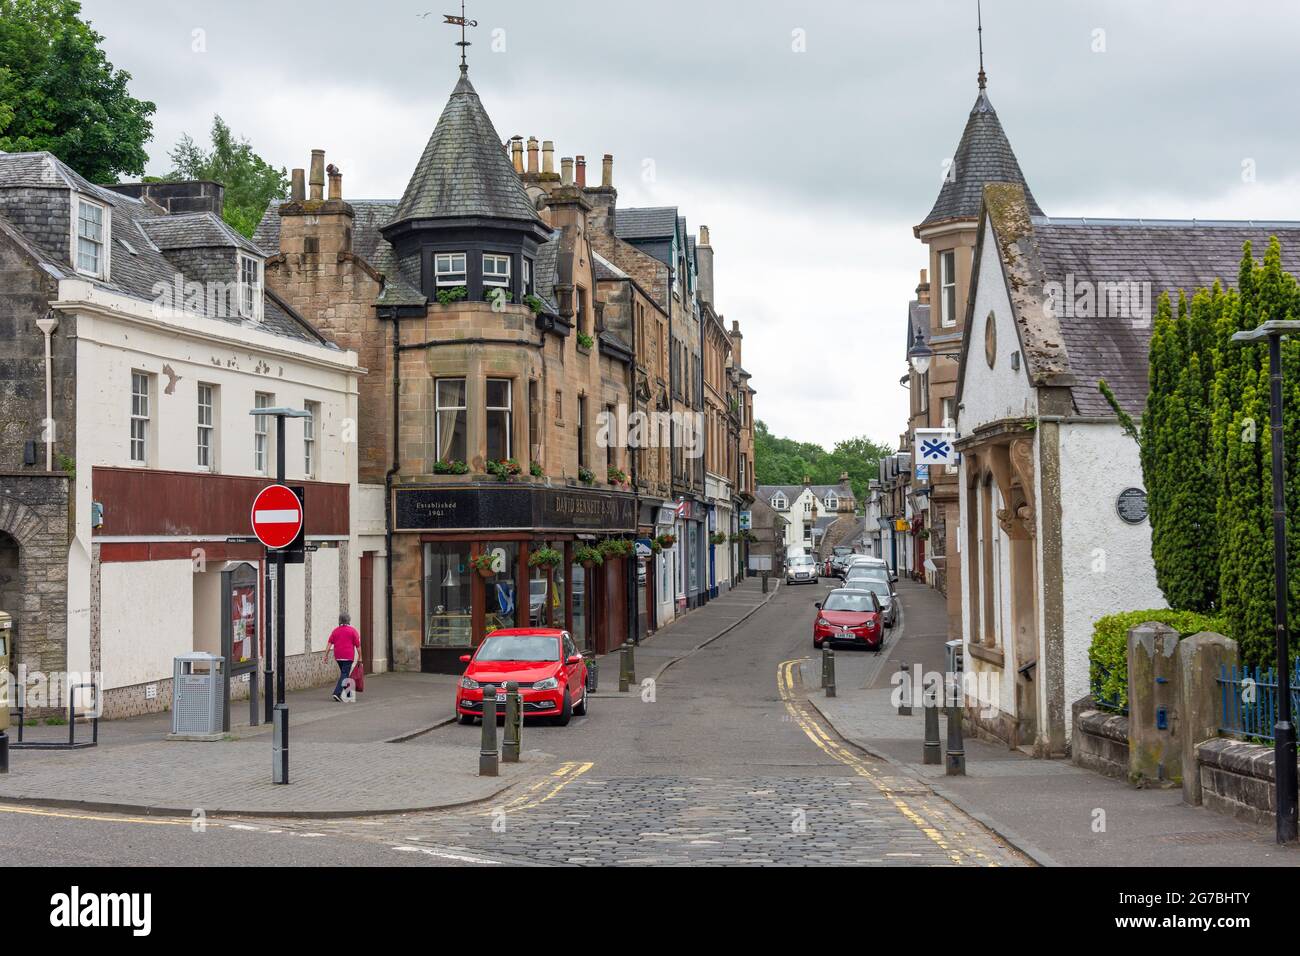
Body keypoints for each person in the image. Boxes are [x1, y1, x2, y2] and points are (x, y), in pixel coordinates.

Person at [325, 612, 361, 702]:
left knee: (344, 673)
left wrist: (326, 655)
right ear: (349, 620)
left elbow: (329, 643)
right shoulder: (352, 631)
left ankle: (349, 694)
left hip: (338, 656)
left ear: (340, 620)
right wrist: (360, 656)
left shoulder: (335, 631)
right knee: (344, 674)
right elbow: (358, 646)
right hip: (348, 656)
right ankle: (337, 693)